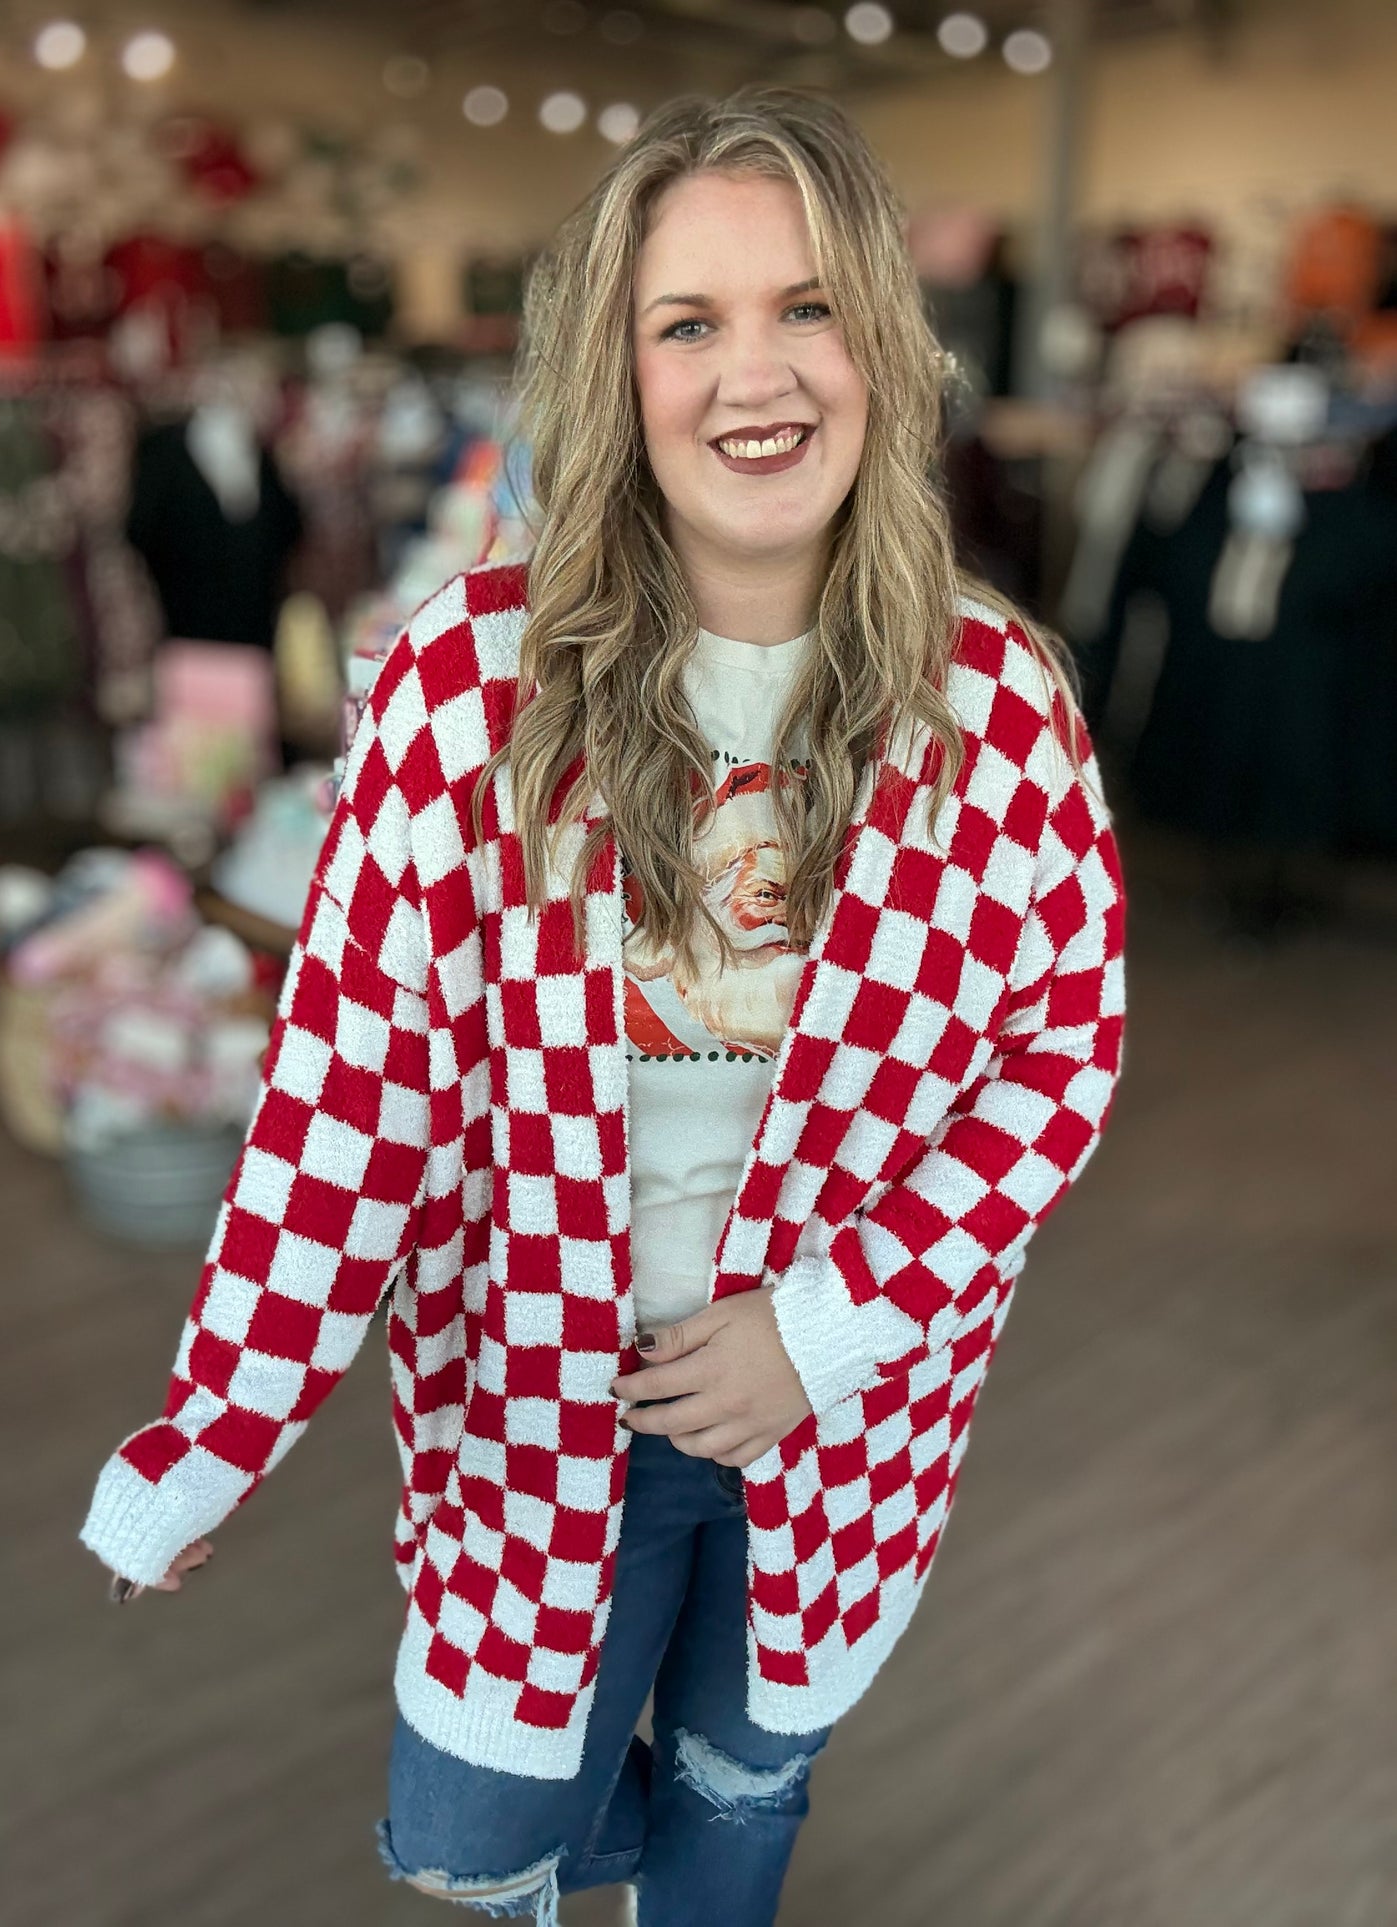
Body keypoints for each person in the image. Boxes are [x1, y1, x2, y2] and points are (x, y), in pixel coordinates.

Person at [80, 86, 1126, 1927]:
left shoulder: (992, 703)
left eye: (807, 309)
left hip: (840, 1415)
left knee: (745, 1786)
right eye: (688, 321)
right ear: (611, 374)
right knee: (478, 1845)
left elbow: (1059, 1059)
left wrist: (818, 1330)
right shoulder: (463, 696)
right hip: (540, 1408)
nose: (758, 373)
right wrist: (209, 1438)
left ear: (880, 343)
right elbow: (345, 1110)